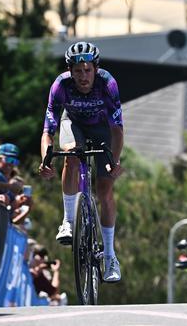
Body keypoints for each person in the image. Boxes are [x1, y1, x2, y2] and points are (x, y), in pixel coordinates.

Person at [38, 41, 125, 283]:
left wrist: (113, 162)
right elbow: (48, 129)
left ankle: (109, 256)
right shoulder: (61, 85)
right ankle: (67, 221)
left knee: (105, 191)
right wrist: (46, 158)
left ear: (95, 69)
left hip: (102, 130)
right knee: (71, 157)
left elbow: (117, 131)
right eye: (78, 71)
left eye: (87, 70)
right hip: (72, 124)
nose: (83, 76)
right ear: (70, 71)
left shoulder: (107, 84)